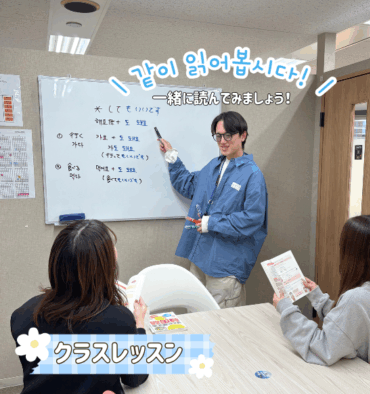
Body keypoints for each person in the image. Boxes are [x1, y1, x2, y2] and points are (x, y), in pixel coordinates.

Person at [11, 220, 149, 394]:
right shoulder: (119, 320)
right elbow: (135, 378)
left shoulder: (22, 314)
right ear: (106, 268)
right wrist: (139, 325)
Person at [159, 111, 268, 308]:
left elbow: (253, 218)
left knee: (220, 321)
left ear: (243, 136)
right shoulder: (214, 166)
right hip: (200, 258)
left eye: (228, 135)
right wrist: (171, 156)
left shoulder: (253, 175)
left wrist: (211, 223)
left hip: (226, 267)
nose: (222, 141)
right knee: (195, 315)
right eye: (218, 136)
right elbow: (188, 185)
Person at [273, 215, 370, 366]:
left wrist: (286, 308)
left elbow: (322, 348)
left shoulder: (356, 298)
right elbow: (349, 324)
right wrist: (318, 298)